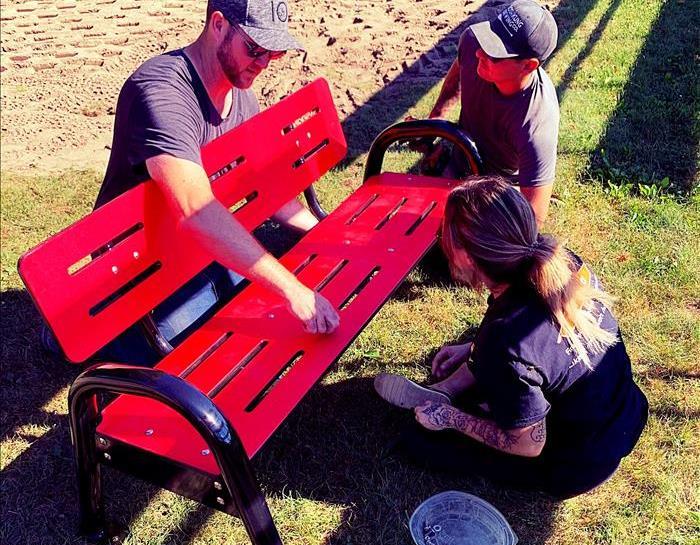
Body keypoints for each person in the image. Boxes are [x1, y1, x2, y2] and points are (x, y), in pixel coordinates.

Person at [79, 0, 339, 365]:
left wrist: (324, 232)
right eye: (255, 48)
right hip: (136, 280)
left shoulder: (240, 93)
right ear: (218, 24)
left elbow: (259, 186)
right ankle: (78, 328)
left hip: (190, 258)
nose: (263, 63)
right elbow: (196, 210)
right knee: (230, 337)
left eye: (274, 53)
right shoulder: (162, 91)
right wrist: (292, 289)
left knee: (265, 302)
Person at [374, 177, 648, 499]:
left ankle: (454, 401)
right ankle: (452, 389)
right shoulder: (560, 260)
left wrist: (453, 419)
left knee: (421, 442)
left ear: (467, 258)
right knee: (498, 364)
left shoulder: (504, 340)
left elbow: (528, 443)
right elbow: (539, 344)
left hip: (576, 462)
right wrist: (473, 349)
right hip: (625, 413)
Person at [418, 0, 560, 227]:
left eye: (494, 52)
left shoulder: (535, 123)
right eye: (487, 38)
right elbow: (461, 65)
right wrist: (437, 116)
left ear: (528, 66)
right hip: (461, 157)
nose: (479, 53)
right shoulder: (473, 43)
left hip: (498, 188)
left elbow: (533, 218)